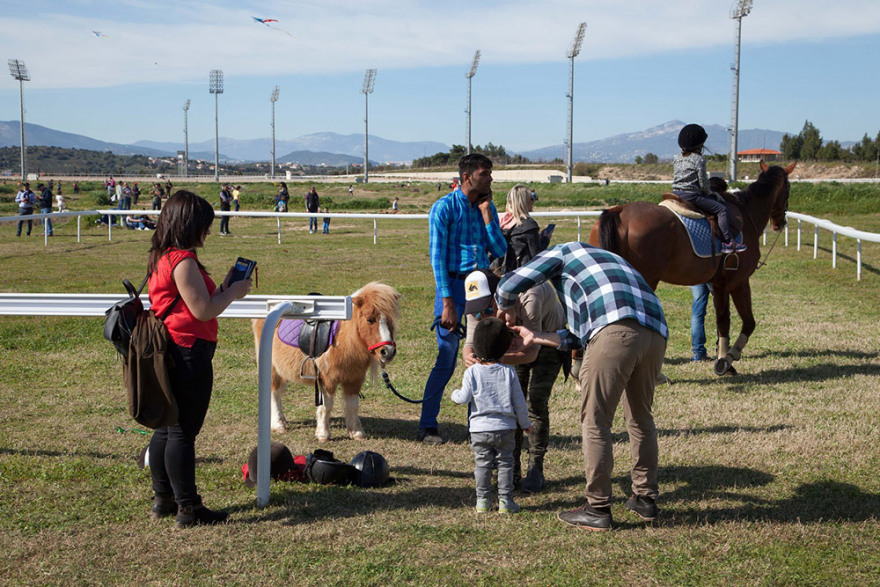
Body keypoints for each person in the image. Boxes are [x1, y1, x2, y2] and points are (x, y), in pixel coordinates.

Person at [496, 242, 668, 531]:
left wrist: (508, 309)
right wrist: (535, 336)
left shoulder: (563, 252)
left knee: (596, 420)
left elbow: (508, 285)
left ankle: (598, 507)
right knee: (640, 418)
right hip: (655, 333)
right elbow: (580, 339)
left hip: (614, 330)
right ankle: (645, 498)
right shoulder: (605, 265)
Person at [145, 190, 252, 527]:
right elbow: (202, 311)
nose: (208, 231)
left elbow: (198, 300)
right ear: (189, 224)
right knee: (182, 433)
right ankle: (188, 507)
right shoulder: (183, 261)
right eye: (204, 225)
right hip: (188, 350)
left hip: (172, 349)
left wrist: (221, 289)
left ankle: (163, 498)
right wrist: (234, 293)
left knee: (167, 428)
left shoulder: (164, 257)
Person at [418, 153, 507, 445]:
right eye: (485, 174)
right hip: (454, 289)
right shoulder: (443, 208)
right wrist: (447, 303)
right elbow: (437, 259)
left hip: (482, 286)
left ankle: (477, 426)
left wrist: (487, 216)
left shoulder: (486, 207)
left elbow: (499, 249)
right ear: (467, 177)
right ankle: (428, 425)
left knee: (484, 356)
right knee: (446, 359)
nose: (490, 179)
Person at [462, 267, 565, 493]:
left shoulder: (529, 295)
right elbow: (469, 342)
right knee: (510, 404)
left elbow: (531, 351)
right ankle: (511, 470)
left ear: (499, 294)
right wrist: (470, 356)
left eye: (488, 308)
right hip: (508, 342)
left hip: (549, 343)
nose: (483, 316)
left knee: (535, 405)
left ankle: (535, 469)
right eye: (478, 312)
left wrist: (491, 357)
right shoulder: (476, 305)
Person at [451, 317, 530, 514]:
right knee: (506, 464)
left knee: (482, 465)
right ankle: (506, 501)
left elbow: (463, 398)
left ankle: (483, 501)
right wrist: (525, 423)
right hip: (506, 428)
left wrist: (454, 394)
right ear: (504, 348)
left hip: (479, 430)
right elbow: (519, 402)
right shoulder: (509, 372)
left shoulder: (472, 372)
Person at [672, 123, 745, 254]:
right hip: (692, 195)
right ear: (699, 144)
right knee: (721, 210)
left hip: (676, 193)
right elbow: (703, 182)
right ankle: (727, 243)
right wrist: (710, 193)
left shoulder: (677, 158)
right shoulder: (699, 159)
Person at [691, 283, 712, 362]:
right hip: (714, 272)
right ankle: (722, 348)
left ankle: (698, 353)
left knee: (697, 313)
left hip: (696, 274)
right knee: (722, 308)